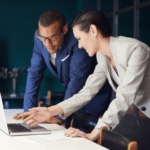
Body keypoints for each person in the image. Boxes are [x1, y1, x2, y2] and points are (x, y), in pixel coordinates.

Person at [14, 7, 150, 142]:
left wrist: (92, 134)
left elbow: (124, 96)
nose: (78, 46)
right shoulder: (102, 57)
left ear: (93, 30)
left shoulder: (136, 50)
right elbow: (87, 92)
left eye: (79, 38)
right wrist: (50, 111)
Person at [20, 9, 112, 128]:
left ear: (64, 30)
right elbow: (34, 73)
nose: (47, 43)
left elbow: (77, 79)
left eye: (53, 37)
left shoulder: (77, 38)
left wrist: (59, 118)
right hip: (70, 98)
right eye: (43, 38)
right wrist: (29, 114)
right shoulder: (39, 38)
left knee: (84, 139)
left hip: (93, 99)